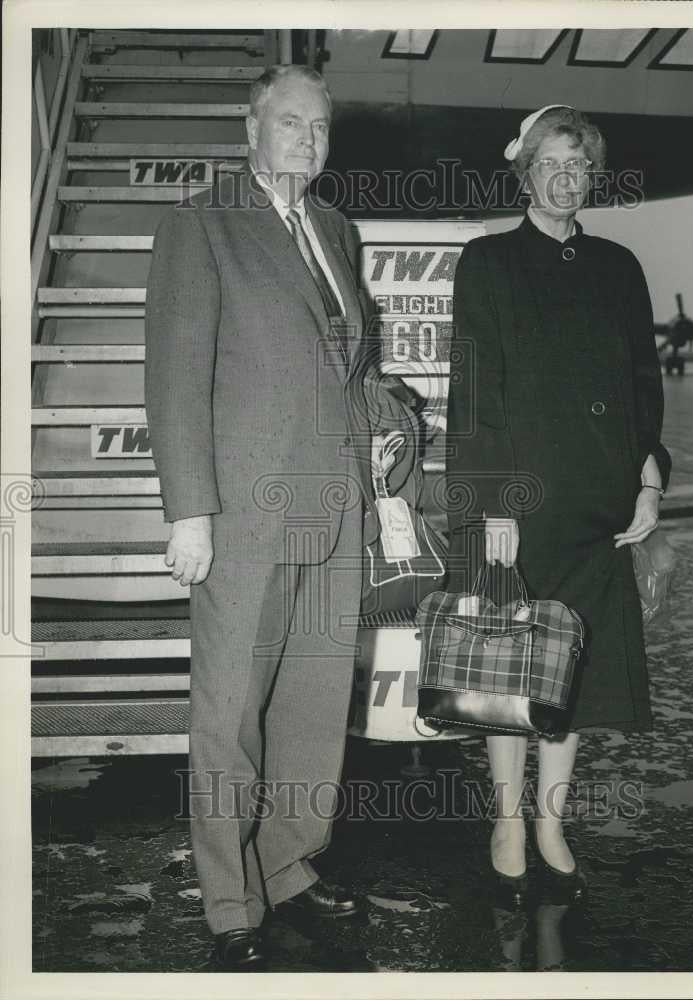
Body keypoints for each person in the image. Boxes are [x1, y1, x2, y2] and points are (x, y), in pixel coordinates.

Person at [145, 64, 374, 970]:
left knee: (313, 713)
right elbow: (173, 379)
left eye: (319, 128)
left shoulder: (336, 230)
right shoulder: (202, 226)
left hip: (334, 512)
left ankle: (288, 865)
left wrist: (383, 436)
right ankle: (229, 898)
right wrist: (189, 514)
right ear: (251, 127)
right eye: (289, 124)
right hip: (240, 515)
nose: (306, 141)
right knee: (230, 715)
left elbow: (347, 373)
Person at [445, 105, 671, 905]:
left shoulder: (619, 266)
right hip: (523, 507)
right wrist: (491, 504)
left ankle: (550, 823)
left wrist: (649, 477)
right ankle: (506, 821)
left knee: (571, 676)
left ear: (591, 176)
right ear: (525, 170)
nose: (564, 176)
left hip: (599, 509)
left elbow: (643, 386)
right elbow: (474, 395)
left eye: (578, 164)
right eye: (550, 161)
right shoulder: (488, 262)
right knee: (513, 669)